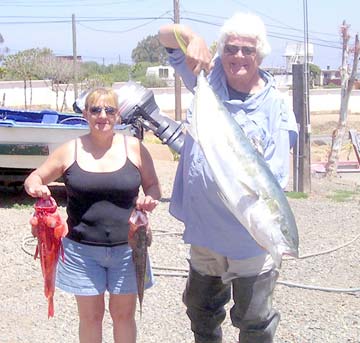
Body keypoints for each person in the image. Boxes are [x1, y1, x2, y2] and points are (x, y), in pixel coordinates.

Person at [159, 12, 298, 343]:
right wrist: (190, 36)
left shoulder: (276, 107)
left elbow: (272, 182)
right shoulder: (207, 79)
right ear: (221, 51)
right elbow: (164, 36)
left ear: (260, 54)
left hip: (249, 241)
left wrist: (273, 236)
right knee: (202, 314)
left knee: (255, 321)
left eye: (247, 50)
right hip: (204, 233)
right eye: (231, 48)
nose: (238, 57)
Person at [24, 87, 161, 343]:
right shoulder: (70, 150)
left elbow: (153, 186)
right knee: (90, 318)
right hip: (81, 251)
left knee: (124, 316)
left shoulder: (135, 148)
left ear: (118, 115)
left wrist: (149, 198)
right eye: (95, 109)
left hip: (129, 249)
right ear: (85, 114)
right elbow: (36, 176)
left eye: (109, 110)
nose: (102, 115)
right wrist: (35, 186)